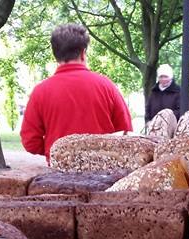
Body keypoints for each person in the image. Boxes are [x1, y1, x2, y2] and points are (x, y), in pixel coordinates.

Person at [20, 24, 132, 161]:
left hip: (58, 174)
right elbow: (125, 131)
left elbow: (30, 141)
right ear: (83, 53)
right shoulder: (106, 86)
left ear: (55, 54)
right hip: (103, 174)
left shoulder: (40, 92)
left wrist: (56, 151)